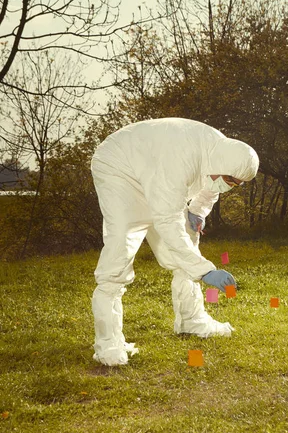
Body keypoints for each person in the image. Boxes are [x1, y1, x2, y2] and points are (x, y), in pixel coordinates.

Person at [91, 117, 259, 366]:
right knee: (120, 250)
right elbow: (166, 220)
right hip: (120, 168)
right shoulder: (180, 161)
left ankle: (192, 320)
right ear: (222, 168)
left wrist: (198, 211)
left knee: (187, 244)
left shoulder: (220, 154)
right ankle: (108, 343)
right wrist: (205, 271)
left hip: (156, 170)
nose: (231, 187)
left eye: (237, 184)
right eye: (231, 181)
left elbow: (212, 185)